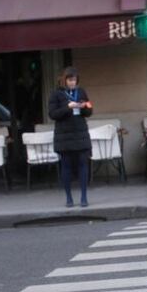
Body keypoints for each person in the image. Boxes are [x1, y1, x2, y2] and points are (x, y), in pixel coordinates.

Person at [48, 67, 93, 207]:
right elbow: (52, 114)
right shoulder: (56, 94)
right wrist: (68, 107)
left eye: (74, 80)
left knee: (83, 164)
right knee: (66, 165)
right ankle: (69, 198)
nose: (72, 83)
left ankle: (84, 197)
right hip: (64, 134)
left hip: (80, 132)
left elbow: (89, 110)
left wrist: (85, 106)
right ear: (64, 80)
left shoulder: (81, 92)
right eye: (69, 80)